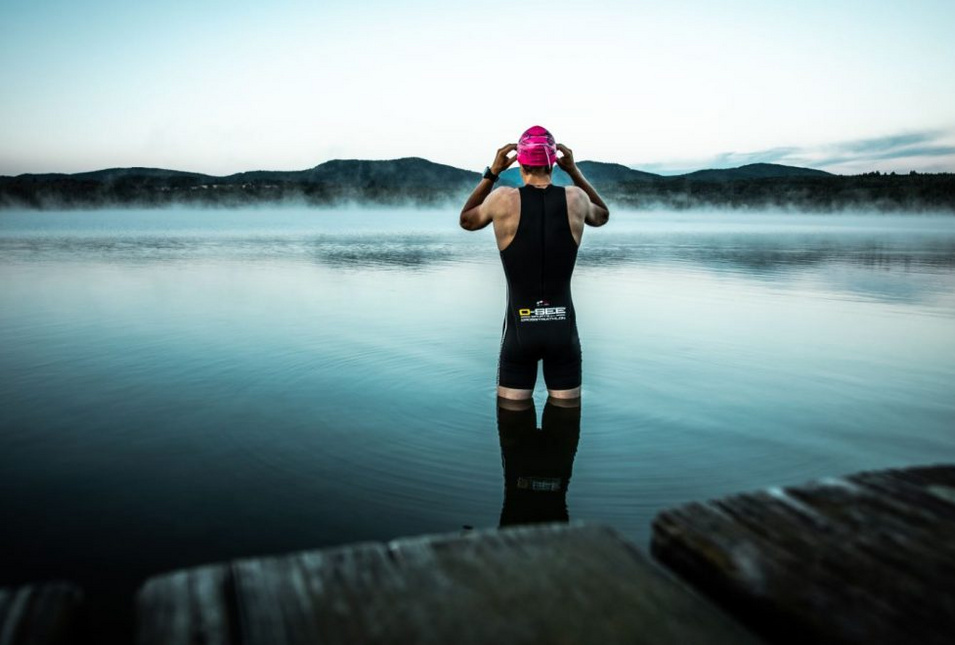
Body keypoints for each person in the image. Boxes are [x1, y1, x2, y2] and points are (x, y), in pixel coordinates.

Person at [459, 125, 609, 401]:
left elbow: (466, 220)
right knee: (565, 426)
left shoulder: (502, 198)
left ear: (521, 163)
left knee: (513, 425)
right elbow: (602, 216)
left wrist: (492, 173)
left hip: (520, 332)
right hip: (563, 333)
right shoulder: (576, 198)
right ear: (554, 162)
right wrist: (574, 172)